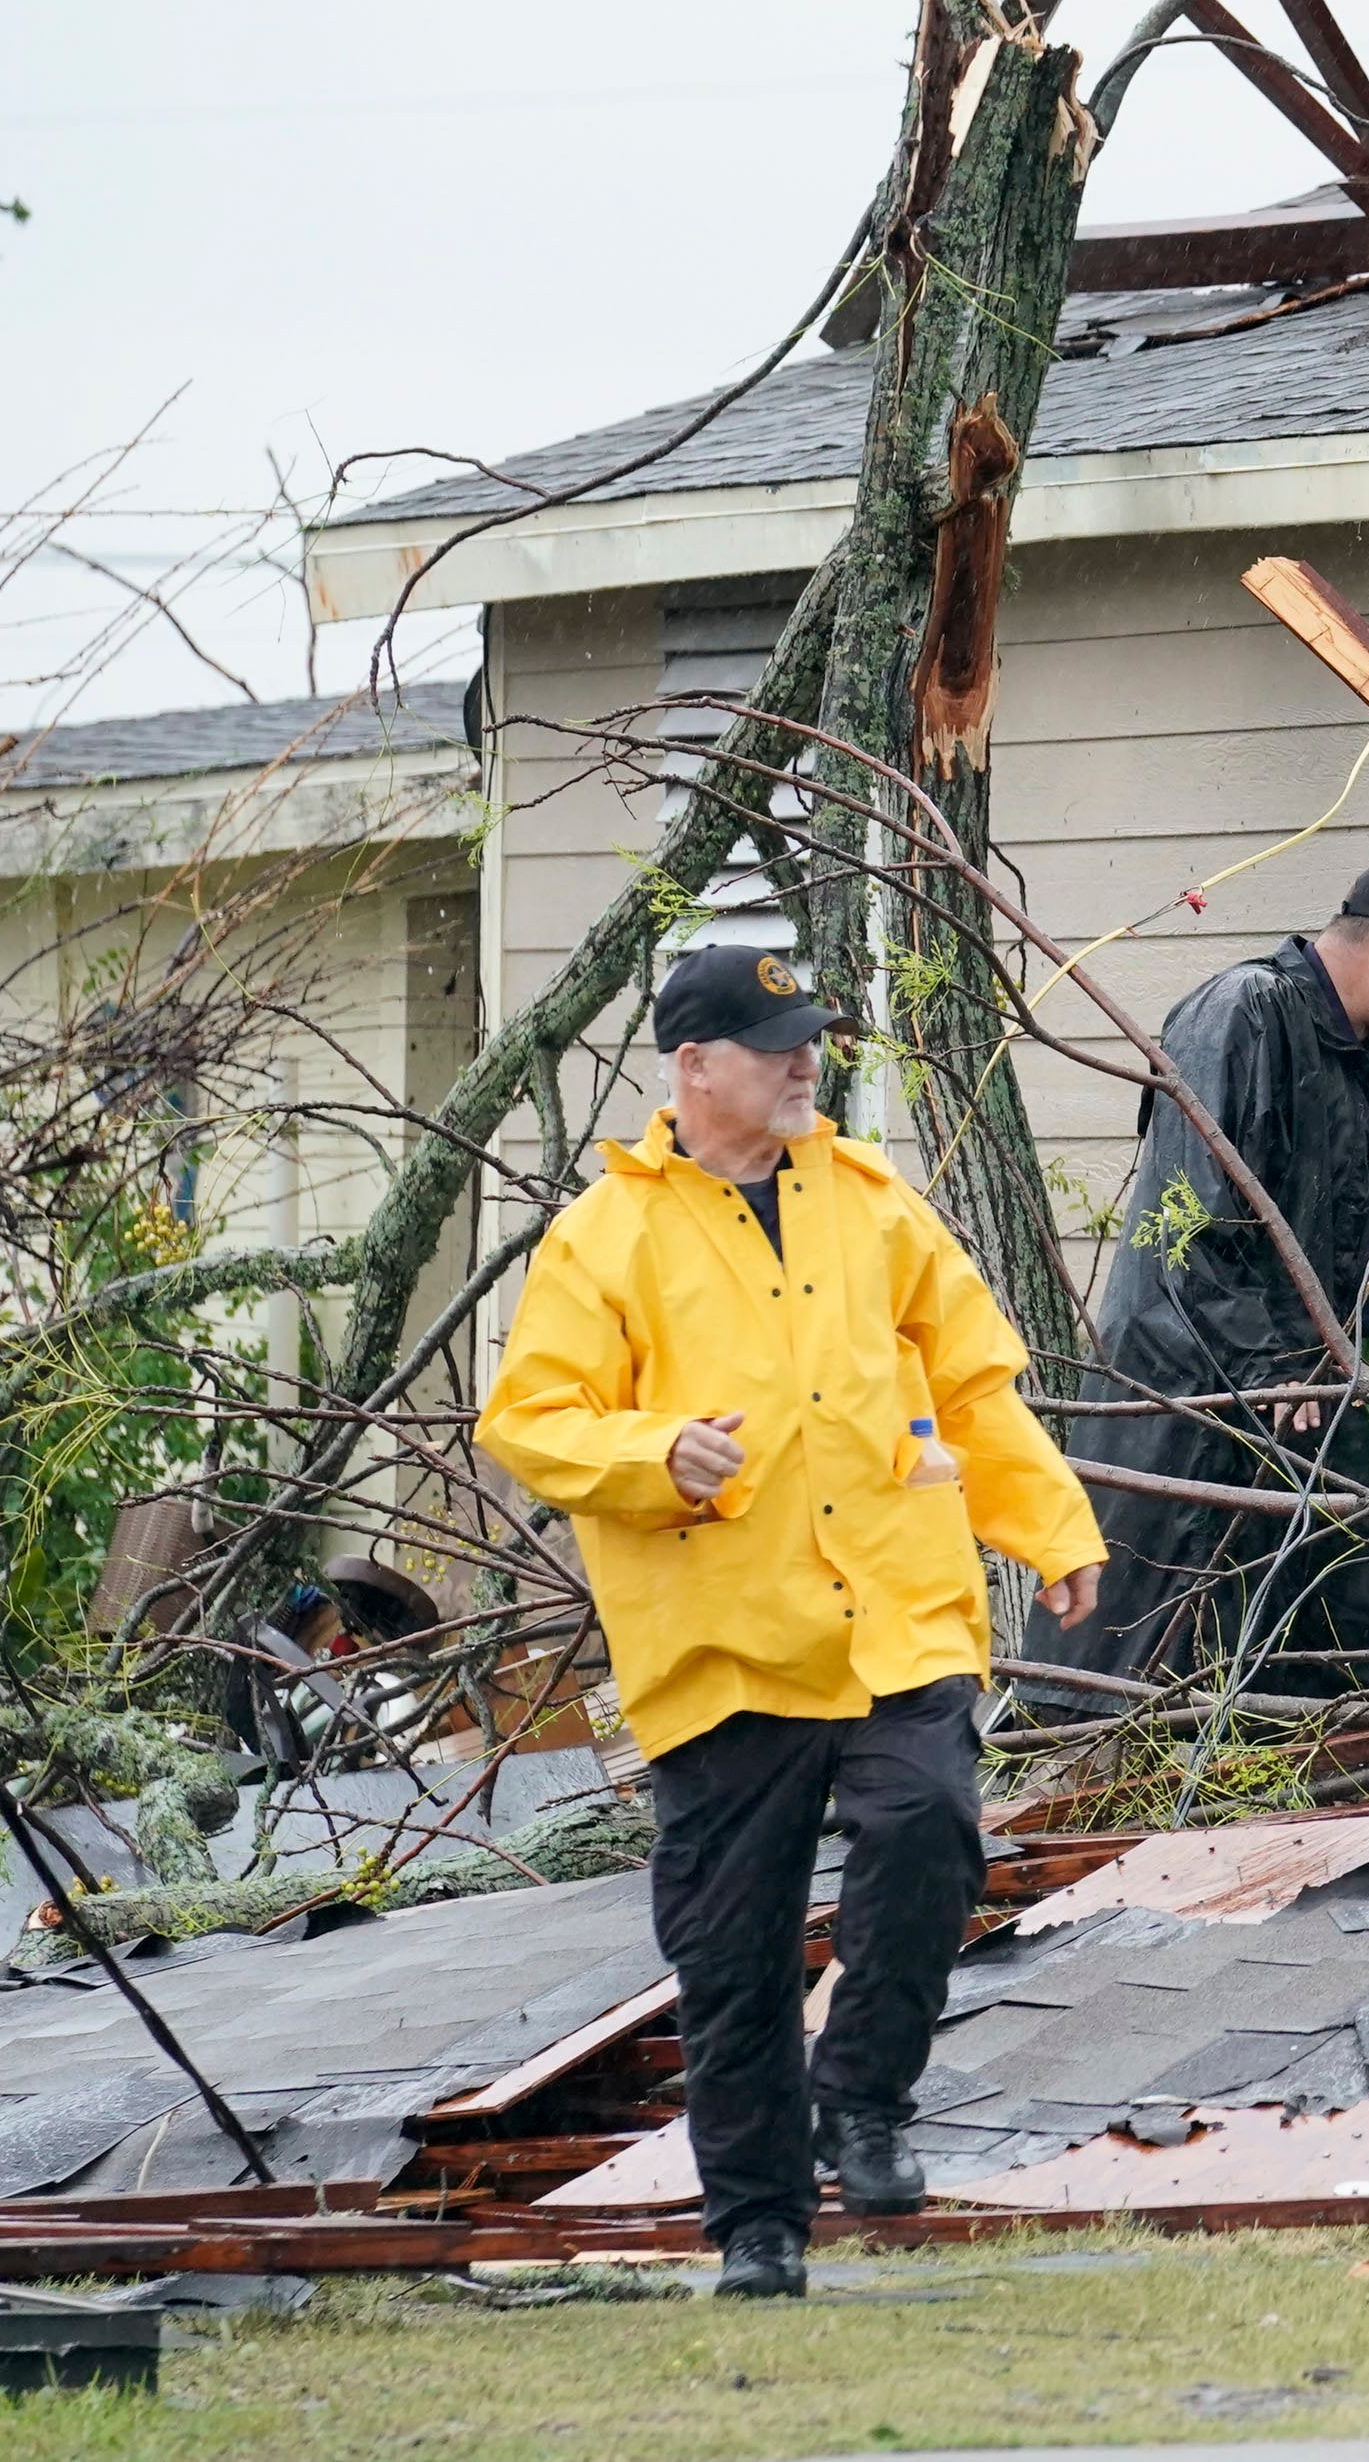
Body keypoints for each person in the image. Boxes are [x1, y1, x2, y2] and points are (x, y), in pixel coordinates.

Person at [477, 944, 1106, 2303]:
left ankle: (866, 2097)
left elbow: (977, 1380)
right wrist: (656, 1454)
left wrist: (1046, 1523)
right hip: (725, 1639)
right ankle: (758, 2220)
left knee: (929, 1826)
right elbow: (531, 1417)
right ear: (693, 1064)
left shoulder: (873, 1204)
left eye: (812, 1037)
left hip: (896, 1608)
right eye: (776, 1042)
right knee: (734, 1945)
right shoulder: (608, 1234)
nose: (805, 1060)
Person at [1037, 852, 1369, 1700]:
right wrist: (1277, 1364)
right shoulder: (1246, 1016)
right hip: (1206, 1437)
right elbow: (1190, 1235)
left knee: (1322, 1703)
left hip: (1314, 1436)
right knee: (1192, 1702)